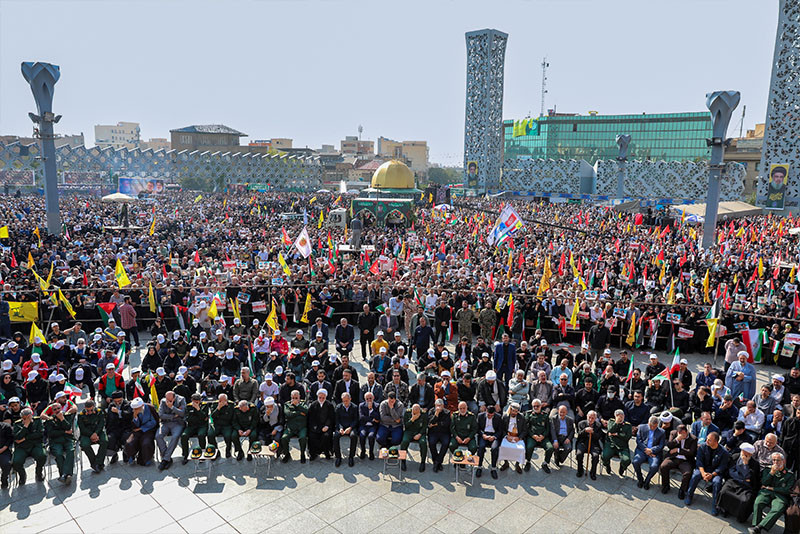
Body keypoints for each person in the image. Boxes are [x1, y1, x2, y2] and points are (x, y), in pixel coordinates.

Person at [750, 452, 796, 533]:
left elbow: (787, 490)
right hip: (766, 492)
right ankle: (755, 526)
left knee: (778, 509)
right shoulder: (767, 469)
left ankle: (760, 527)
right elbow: (764, 482)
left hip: (780, 496)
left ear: (783, 461)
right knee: (758, 502)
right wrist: (771, 473)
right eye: (774, 460)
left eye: (778, 460)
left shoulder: (790, 475)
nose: (775, 462)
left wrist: (771, 488)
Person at [685, 432, 729, 515]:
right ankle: (689, 495)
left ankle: (715, 505)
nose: (707, 441)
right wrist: (703, 473)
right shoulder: (703, 447)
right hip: (703, 469)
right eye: (707, 439)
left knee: (717, 482)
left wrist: (712, 475)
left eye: (709, 440)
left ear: (716, 442)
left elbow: (722, 467)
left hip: (715, 473)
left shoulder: (724, 452)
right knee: (695, 476)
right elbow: (699, 461)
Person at [717, 442, 761, 523]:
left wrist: (745, 465)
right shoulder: (735, 457)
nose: (744, 455)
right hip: (734, 481)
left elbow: (750, 477)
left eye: (747, 454)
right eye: (743, 452)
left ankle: (740, 516)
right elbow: (731, 472)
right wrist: (742, 478)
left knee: (745, 500)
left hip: (747, 486)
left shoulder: (755, 464)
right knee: (725, 492)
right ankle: (724, 510)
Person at [659, 423, 697, 499]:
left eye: (683, 434)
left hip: (685, 460)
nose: (682, 436)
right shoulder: (673, 433)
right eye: (680, 434)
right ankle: (666, 485)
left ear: (686, 432)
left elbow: (691, 452)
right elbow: (669, 445)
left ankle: (682, 490)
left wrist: (678, 450)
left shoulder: (693, 439)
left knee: (687, 473)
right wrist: (676, 440)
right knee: (663, 466)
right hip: (674, 458)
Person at [11, 407, 46, 484]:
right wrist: (25, 426)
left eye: (27, 418)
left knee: (42, 456)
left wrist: (25, 438)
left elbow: (40, 434)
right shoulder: (17, 424)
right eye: (23, 418)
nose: (25, 420)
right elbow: (17, 437)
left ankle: (39, 472)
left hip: (35, 445)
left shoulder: (37, 420)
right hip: (22, 447)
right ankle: (22, 475)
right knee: (16, 461)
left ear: (30, 416)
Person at [44, 401, 75, 484]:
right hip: (56, 441)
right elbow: (51, 433)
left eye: (58, 408)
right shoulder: (49, 419)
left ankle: (64, 475)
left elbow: (69, 427)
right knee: (58, 454)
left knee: (71, 451)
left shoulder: (66, 416)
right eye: (55, 409)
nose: (57, 410)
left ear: (61, 408)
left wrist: (62, 419)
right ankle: (66, 474)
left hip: (67, 439)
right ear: (52, 411)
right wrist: (64, 432)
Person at [633, 415, 666, 489]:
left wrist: (651, 450)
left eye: (654, 426)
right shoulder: (641, 427)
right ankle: (640, 479)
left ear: (657, 425)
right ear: (648, 423)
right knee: (635, 462)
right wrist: (646, 450)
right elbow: (638, 441)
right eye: (651, 426)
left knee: (654, 466)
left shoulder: (662, 432)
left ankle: (647, 481)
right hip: (642, 451)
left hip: (654, 453)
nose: (652, 428)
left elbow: (661, 445)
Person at [156, 391, 186, 470]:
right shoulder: (163, 401)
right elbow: (161, 415)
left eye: (170, 400)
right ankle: (167, 458)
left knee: (175, 436)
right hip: (166, 423)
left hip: (178, 423)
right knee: (158, 436)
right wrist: (173, 416)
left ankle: (165, 459)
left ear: (174, 398)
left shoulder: (181, 400)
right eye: (167, 400)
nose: (168, 402)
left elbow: (182, 413)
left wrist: (172, 407)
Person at [125, 397, 158, 466]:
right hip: (137, 431)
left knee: (146, 443)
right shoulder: (133, 411)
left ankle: (147, 459)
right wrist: (135, 417)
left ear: (142, 406)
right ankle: (131, 457)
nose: (135, 410)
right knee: (129, 442)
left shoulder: (150, 408)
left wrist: (142, 428)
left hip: (149, 430)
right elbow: (134, 425)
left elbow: (154, 422)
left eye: (137, 409)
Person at [78, 399, 108, 474]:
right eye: (88, 410)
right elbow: (82, 428)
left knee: (105, 441)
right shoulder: (81, 415)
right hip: (87, 433)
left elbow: (101, 424)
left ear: (94, 407)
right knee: (84, 445)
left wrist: (96, 433)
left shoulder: (99, 412)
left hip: (98, 431)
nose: (90, 412)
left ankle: (96, 463)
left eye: (91, 410)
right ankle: (96, 463)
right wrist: (91, 435)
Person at [525, 398, 554, 473]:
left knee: (550, 448)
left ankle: (545, 463)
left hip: (543, 437)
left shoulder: (545, 415)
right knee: (529, 447)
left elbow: (548, 428)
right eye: (534, 406)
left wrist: (543, 436)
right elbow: (526, 428)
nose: (535, 408)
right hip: (532, 436)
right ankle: (528, 462)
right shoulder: (529, 414)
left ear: (541, 406)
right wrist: (533, 435)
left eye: (537, 406)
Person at [280, 390, 308, 463]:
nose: (295, 399)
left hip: (301, 426)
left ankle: (302, 454)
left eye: (296, 397)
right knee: (284, 438)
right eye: (293, 398)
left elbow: (307, 411)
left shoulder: (303, 403)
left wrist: (298, 406)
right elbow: (288, 414)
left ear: (299, 397)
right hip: (291, 427)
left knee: (303, 438)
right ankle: (287, 454)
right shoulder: (287, 404)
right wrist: (299, 412)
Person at [180, 393, 209, 465]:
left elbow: (205, 418)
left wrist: (198, 409)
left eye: (198, 401)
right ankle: (185, 455)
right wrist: (200, 417)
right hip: (191, 426)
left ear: (200, 400)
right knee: (184, 436)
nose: (196, 402)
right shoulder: (188, 406)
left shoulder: (205, 405)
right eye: (195, 401)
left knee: (201, 435)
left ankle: (202, 454)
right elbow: (188, 418)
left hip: (202, 426)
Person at [308, 389, 335, 460]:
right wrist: (315, 427)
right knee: (312, 436)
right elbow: (311, 418)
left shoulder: (329, 405)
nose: (321, 399)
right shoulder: (313, 405)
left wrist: (327, 426)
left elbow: (331, 417)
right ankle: (313, 453)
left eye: (323, 398)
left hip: (326, 427)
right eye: (320, 397)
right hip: (316, 427)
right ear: (317, 396)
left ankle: (326, 452)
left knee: (326, 436)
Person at [575, 410, 604, 479]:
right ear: (587, 416)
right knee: (579, 454)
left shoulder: (598, 425)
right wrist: (585, 431)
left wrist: (593, 432)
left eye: (592, 418)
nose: (590, 419)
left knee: (595, 456)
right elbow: (579, 435)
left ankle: (593, 472)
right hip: (583, 442)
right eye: (589, 417)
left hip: (593, 444)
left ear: (595, 418)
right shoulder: (581, 423)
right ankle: (580, 470)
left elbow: (598, 437)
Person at [400, 403, 428, 472]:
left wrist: (420, 434)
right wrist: (412, 419)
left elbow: (425, 426)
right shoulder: (407, 412)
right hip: (409, 431)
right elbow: (406, 426)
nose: (415, 413)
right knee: (404, 441)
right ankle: (403, 460)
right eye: (414, 412)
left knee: (423, 443)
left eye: (417, 412)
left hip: (419, 432)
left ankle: (423, 462)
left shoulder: (423, 414)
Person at [334, 392, 358, 467]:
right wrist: (340, 428)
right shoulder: (338, 407)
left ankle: (351, 457)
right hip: (341, 426)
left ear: (350, 399)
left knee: (353, 436)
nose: (345, 402)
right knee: (335, 436)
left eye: (347, 400)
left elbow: (356, 419)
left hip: (351, 426)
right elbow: (337, 420)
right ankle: (338, 457)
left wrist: (350, 428)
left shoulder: (354, 407)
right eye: (344, 401)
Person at [427, 398, 451, 472]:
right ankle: (436, 461)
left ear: (443, 406)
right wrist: (436, 414)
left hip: (444, 432)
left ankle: (438, 462)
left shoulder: (447, 412)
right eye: (437, 405)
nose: (439, 407)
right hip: (433, 432)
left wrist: (436, 424)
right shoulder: (431, 411)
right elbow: (430, 422)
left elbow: (446, 424)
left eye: (440, 406)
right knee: (431, 442)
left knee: (446, 443)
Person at [358, 391, 380, 460]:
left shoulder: (377, 405)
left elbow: (378, 417)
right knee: (362, 435)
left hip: (372, 426)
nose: (369, 400)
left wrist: (371, 409)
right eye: (367, 399)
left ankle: (371, 452)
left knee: (371, 436)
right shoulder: (361, 405)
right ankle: (363, 451)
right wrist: (372, 419)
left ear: (373, 398)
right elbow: (361, 417)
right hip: (364, 425)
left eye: (370, 398)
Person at [0, 417, 11, 489]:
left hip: (3, 450)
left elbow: (10, 439)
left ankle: (4, 479)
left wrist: (3, 448)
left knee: (7, 463)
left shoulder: (6, 426)